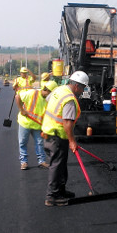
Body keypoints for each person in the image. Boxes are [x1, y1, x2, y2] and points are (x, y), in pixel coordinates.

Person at [41, 70, 89, 206]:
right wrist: (72, 141)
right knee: (56, 165)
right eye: (83, 88)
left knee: (60, 164)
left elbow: (48, 102)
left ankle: (60, 190)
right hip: (57, 136)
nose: (82, 91)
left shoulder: (59, 90)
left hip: (49, 132)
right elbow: (67, 123)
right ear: (76, 86)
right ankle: (52, 196)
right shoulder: (70, 100)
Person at [15, 80, 58, 170]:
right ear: (46, 90)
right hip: (25, 122)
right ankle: (24, 162)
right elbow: (17, 96)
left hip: (38, 125)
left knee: (40, 143)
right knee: (22, 142)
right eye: (51, 93)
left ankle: (41, 161)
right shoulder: (32, 93)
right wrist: (21, 110)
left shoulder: (49, 100)